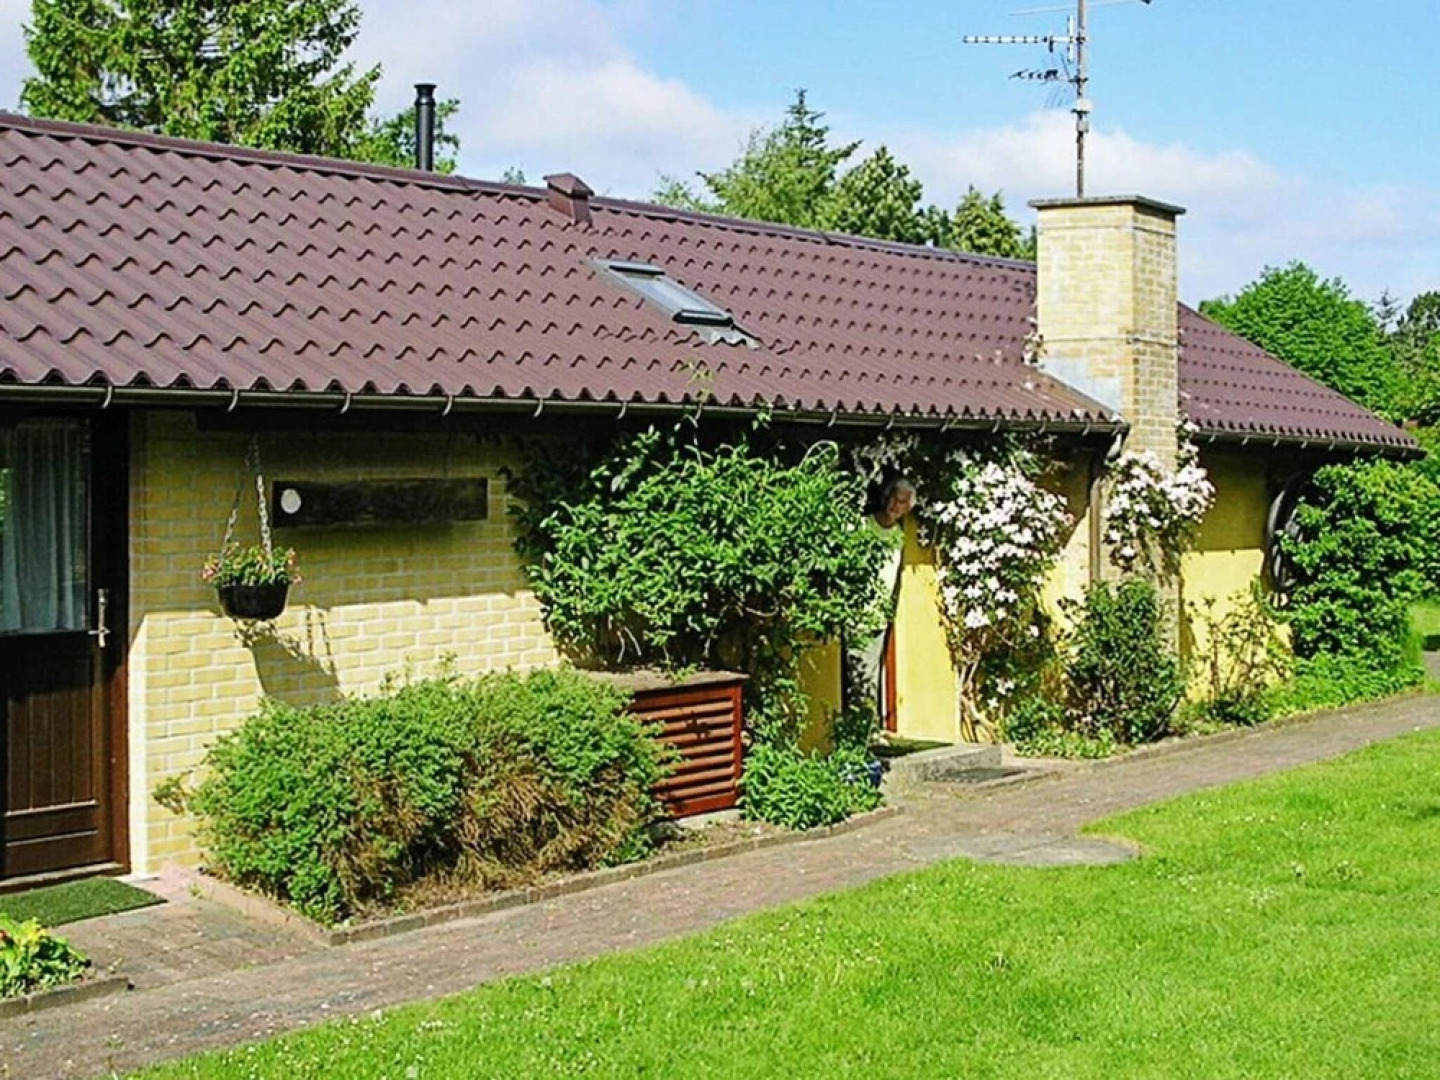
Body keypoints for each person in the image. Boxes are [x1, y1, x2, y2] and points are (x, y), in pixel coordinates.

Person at [845, 473, 915, 729]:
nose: (897, 506)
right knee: (858, 675)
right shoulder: (862, 527)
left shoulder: (898, 536)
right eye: (896, 499)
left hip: (878, 615)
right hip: (856, 612)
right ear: (887, 497)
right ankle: (863, 728)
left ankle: (867, 727)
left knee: (870, 673)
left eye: (903, 503)